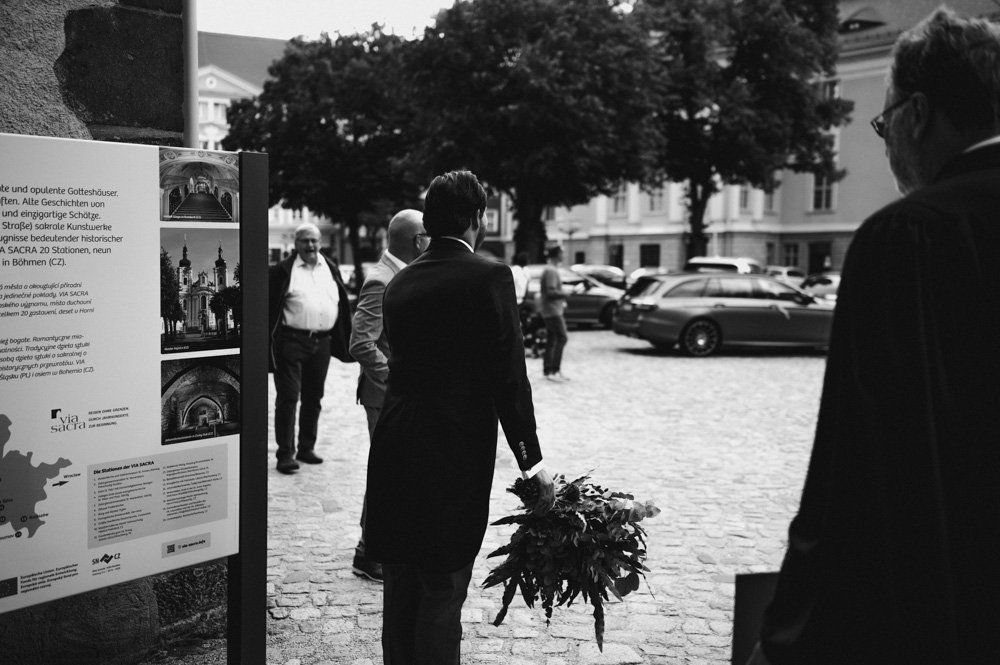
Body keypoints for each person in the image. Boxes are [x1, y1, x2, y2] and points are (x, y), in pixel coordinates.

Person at [749, 9, 1000, 664]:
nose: (886, 141)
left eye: (883, 122)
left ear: (917, 114)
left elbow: (855, 467)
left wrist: (784, 637)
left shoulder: (907, 237)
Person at [364, 171, 556, 664]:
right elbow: (509, 376)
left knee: (401, 584)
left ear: (430, 220)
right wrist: (531, 465)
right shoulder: (489, 276)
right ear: (477, 219)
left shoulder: (400, 281)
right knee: (443, 586)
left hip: (394, 444)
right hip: (450, 451)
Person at [348, 209, 429, 583]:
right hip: (384, 395)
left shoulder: (403, 274)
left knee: (394, 470)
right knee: (387, 472)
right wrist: (399, 379)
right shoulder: (382, 280)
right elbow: (361, 344)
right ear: (416, 240)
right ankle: (368, 553)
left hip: (398, 395)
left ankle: (382, 544)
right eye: (427, 235)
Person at [268, 222, 353, 474]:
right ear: (296, 244)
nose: (311, 245)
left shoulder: (331, 268)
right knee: (289, 397)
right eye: (305, 240)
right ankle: (285, 454)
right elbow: (269, 309)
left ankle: (307, 447)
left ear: (320, 242)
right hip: (291, 341)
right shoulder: (283, 271)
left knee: (314, 397)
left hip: (322, 342)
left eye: (314, 240)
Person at [539, 244, 569, 381]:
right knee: (562, 337)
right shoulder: (551, 271)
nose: (563, 255)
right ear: (557, 254)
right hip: (553, 311)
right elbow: (551, 292)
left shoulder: (550, 269)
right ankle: (554, 370)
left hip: (551, 309)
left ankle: (549, 370)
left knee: (552, 339)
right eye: (562, 253)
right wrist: (565, 294)